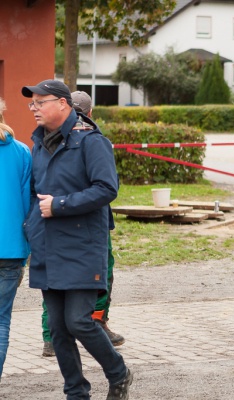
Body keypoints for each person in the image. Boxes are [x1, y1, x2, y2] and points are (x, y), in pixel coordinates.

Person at [22, 79, 132, 399]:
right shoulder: (38, 144)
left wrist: (59, 206)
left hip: (82, 247)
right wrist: (31, 226)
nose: (34, 109)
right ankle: (76, 392)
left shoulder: (91, 141)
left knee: (79, 322)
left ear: (62, 104)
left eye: (40, 102)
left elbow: (106, 189)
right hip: (47, 246)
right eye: (33, 103)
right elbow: (33, 193)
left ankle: (119, 372)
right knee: (57, 329)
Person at [40, 91, 125, 358]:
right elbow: (109, 187)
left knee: (55, 279)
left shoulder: (49, 141)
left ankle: (52, 336)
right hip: (85, 223)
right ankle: (95, 324)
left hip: (58, 221)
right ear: (90, 113)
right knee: (99, 275)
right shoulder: (95, 141)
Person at [0, 98, 32, 381]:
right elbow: (27, 207)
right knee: (0, 323)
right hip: (10, 250)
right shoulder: (22, 152)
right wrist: (24, 252)